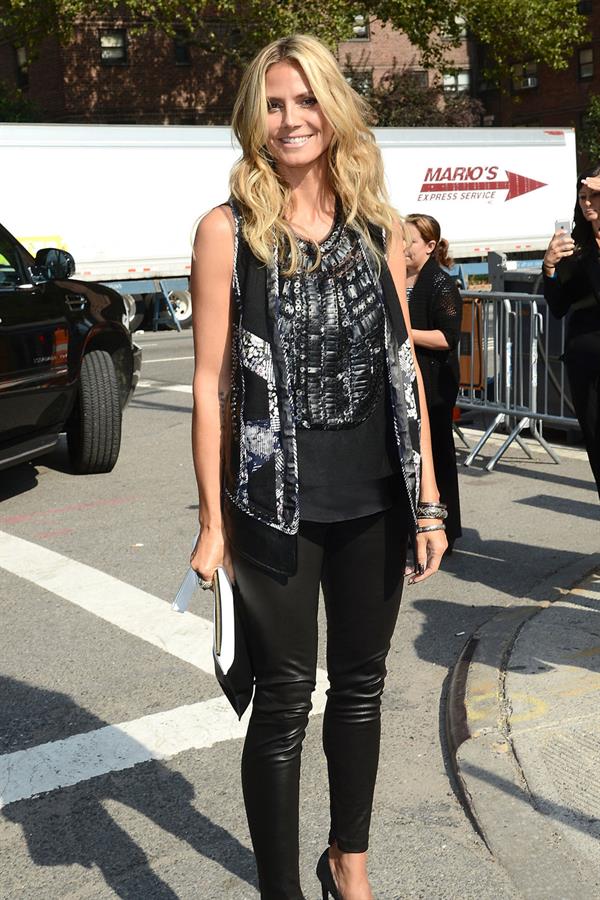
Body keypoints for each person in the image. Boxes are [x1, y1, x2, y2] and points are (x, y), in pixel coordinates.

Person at [189, 34, 447, 900]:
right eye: (273, 103)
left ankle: (350, 865)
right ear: (252, 119)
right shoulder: (227, 231)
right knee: (286, 702)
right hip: (274, 506)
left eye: (306, 102)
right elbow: (209, 383)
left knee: (364, 689)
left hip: (375, 495)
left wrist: (430, 499)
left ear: (333, 111)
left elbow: (403, 362)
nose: (291, 119)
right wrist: (210, 523)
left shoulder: (379, 224)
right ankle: (280, 891)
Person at [404, 214, 463, 551]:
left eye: (409, 241)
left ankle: (445, 531)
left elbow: (447, 337)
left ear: (429, 246)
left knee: (437, 458)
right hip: (410, 379)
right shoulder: (399, 279)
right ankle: (413, 531)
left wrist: (406, 336)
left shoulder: (440, 283)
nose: (402, 247)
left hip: (435, 385)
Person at [542, 167, 600, 498]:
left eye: (594, 195)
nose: (587, 202)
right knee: (596, 444)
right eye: (583, 197)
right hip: (585, 361)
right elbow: (559, 306)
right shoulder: (574, 246)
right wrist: (549, 267)